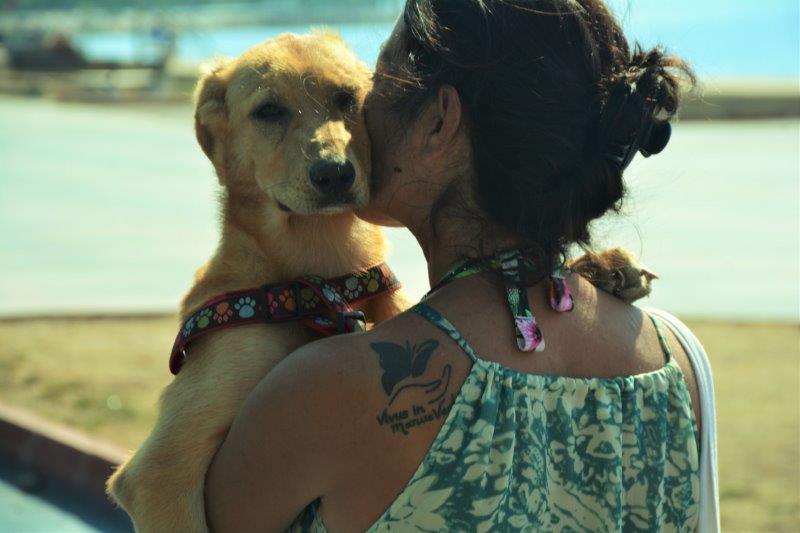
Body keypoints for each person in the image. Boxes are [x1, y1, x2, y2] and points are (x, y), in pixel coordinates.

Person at [204, 0, 719, 531]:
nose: (343, 129)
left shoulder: (322, 389)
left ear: (438, 122)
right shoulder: (678, 360)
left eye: (364, 90)